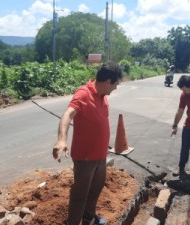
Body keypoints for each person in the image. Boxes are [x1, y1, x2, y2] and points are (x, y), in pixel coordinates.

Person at [52, 62, 123, 225]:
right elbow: (67, 115)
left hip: (100, 157)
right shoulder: (83, 93)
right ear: (107, 83)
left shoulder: (103, 97)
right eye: (116, 84)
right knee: (80, 195)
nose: (116, 88)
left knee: (95, 190)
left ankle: (88, 218)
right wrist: (62, 140)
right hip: (85, 158)